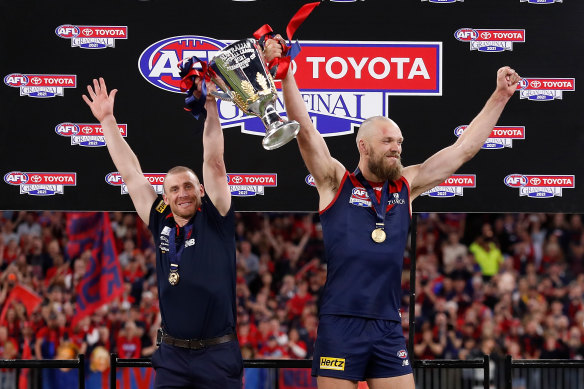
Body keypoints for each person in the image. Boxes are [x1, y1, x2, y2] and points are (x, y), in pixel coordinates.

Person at [269, 35, 521, 389]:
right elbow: (307, 133)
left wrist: (500, 96)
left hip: (387, 325)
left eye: (399, 142)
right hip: (341, 324)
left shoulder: (407, 185)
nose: (396, 148)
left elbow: (464, 149)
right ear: (363, 146)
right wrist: (285, 74)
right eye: (387, 141)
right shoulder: (334, 182)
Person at [82, 78, 242, 388]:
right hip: (172, 356)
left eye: (188, 186)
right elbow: (130, 173)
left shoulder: (217, 215)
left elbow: (214, 161)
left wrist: (210, 106)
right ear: (165, 197)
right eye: (174, 189)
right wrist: (107, 120)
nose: (182, 193)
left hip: (218, 353)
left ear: (200, 190)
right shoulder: (160, 219)